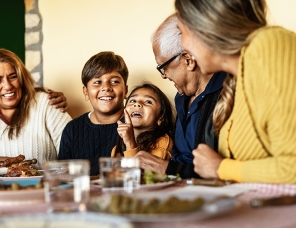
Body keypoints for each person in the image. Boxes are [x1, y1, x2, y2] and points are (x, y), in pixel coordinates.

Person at [175, 0, 296, 183]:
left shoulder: (269, 44)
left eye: (181, 32)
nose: (183, 46)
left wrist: (221, 168)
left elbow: (292, 167)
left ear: (205, 27)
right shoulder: (237, 79)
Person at [135, 13, 227, 178]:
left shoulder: (228, 94)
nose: (163, 75)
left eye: (162, 66)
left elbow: (222, 169)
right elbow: (182, 160)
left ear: (188, 60)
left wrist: (167, 168)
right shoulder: (182, 98)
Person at [58, 51, 129, 176]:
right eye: (97, 82)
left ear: (125, 91)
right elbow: (62, 175)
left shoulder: (137, 125)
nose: (106, 87)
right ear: (86, 92)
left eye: (114, 81)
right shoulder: (72, 129)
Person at [112, 82, 175, 162]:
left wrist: (130, 143)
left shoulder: (163, 143)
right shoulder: (116, 149)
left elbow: (147, 173)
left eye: (148, 102)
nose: (137, 104)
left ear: (161, 118)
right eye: (132, 101)